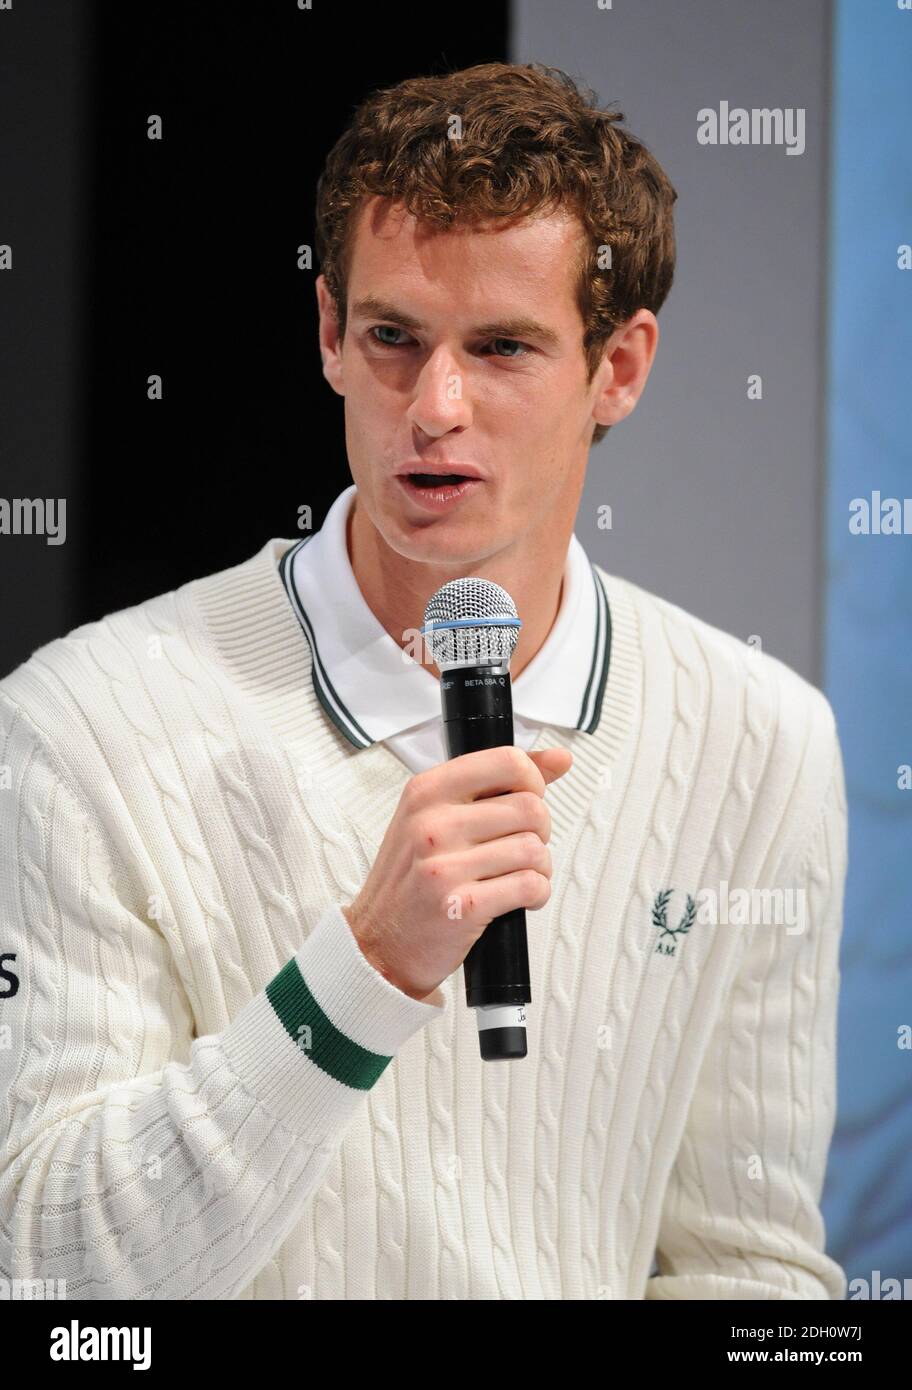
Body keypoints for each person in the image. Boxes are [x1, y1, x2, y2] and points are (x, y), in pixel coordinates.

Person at [0, 61, 846, 1300]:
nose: (434, 407)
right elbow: (44, 1272)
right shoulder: (80, 726)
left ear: (619, 367)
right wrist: (367, 969)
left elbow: (751, 1272)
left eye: (502, 347)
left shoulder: (762, 739)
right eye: (395, 338)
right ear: (331, 334)